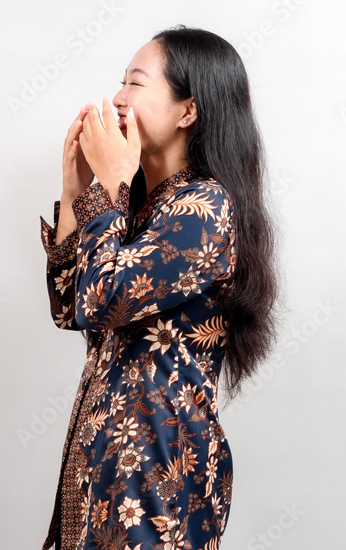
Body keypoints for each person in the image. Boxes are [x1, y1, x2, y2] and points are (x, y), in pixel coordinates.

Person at [39, 27, 277, 549]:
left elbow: (102, 300)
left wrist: (110, 189)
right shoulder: (144, 206)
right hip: (106, 465)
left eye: (136, 84)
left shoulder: (204, 207)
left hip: (156, 471)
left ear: (187, 111)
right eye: (120, 82)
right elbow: (68, 305)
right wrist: (75, 188)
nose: (118, 99)